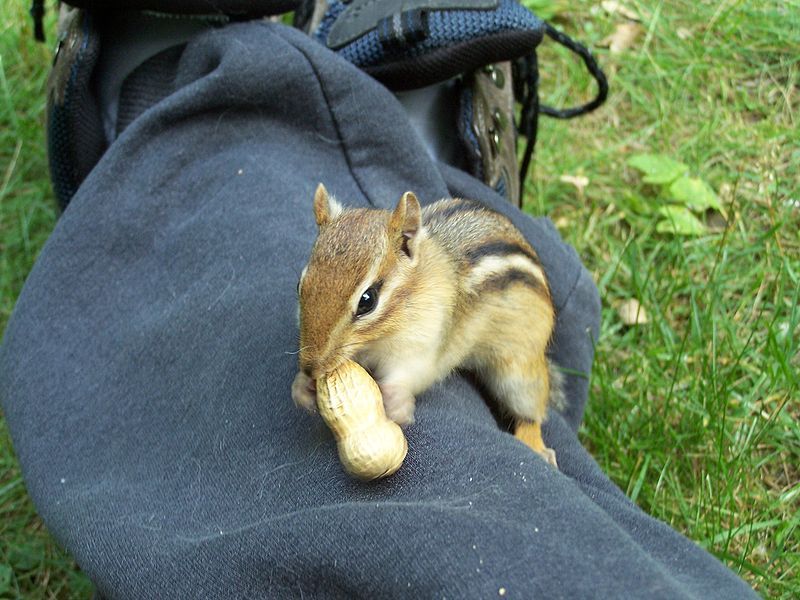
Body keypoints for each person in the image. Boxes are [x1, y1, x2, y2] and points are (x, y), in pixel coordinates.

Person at [1, 2, 757, 597]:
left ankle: (184, 118)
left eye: (363, 305)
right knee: (524, 522)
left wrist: (395, 389)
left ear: (405, 244)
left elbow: (427, 353)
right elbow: (331, 316)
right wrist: (326, 353)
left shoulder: (430, 290)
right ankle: (385, 128)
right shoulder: (356, 275)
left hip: (497, 323)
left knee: (514, 391)